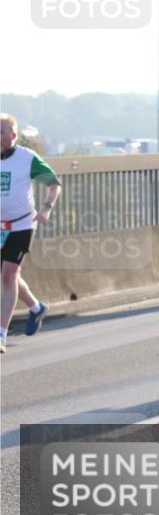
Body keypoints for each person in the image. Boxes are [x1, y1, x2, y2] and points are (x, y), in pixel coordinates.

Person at [1, 113, 61, 354]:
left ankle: (1, 335)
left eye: (1, 132)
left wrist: (46, 208)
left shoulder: (27, 158)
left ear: (13, 136)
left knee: (8, 274)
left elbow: (54, 183)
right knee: (9, 276)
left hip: (22, 224)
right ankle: (36, 308)